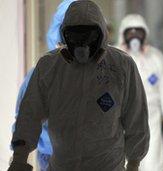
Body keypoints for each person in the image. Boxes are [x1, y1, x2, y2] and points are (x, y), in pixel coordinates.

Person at [8, 1, 149, 171]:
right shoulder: (50, 67)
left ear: (101, 34)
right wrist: (19, 157)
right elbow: (29, 114)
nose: (82, 43)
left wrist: (134, 163)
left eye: (89, 36)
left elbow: (136, 117)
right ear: (64, 34)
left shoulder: (121, 66)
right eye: (75, 36)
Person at [11, 1, 76, 170]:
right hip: (51, 154)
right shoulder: (41, 73)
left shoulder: (103, 73)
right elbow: (26, 116)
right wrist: (19, 156)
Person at [118, 14, 163, 171]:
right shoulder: (115, 58)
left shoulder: (156, 57)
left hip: (151, 119)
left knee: (154, 163)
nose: (134, 37)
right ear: (123, 35)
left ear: (145, 33)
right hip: (122, 121)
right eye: (130, 32)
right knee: (126, 162)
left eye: (138, 32)